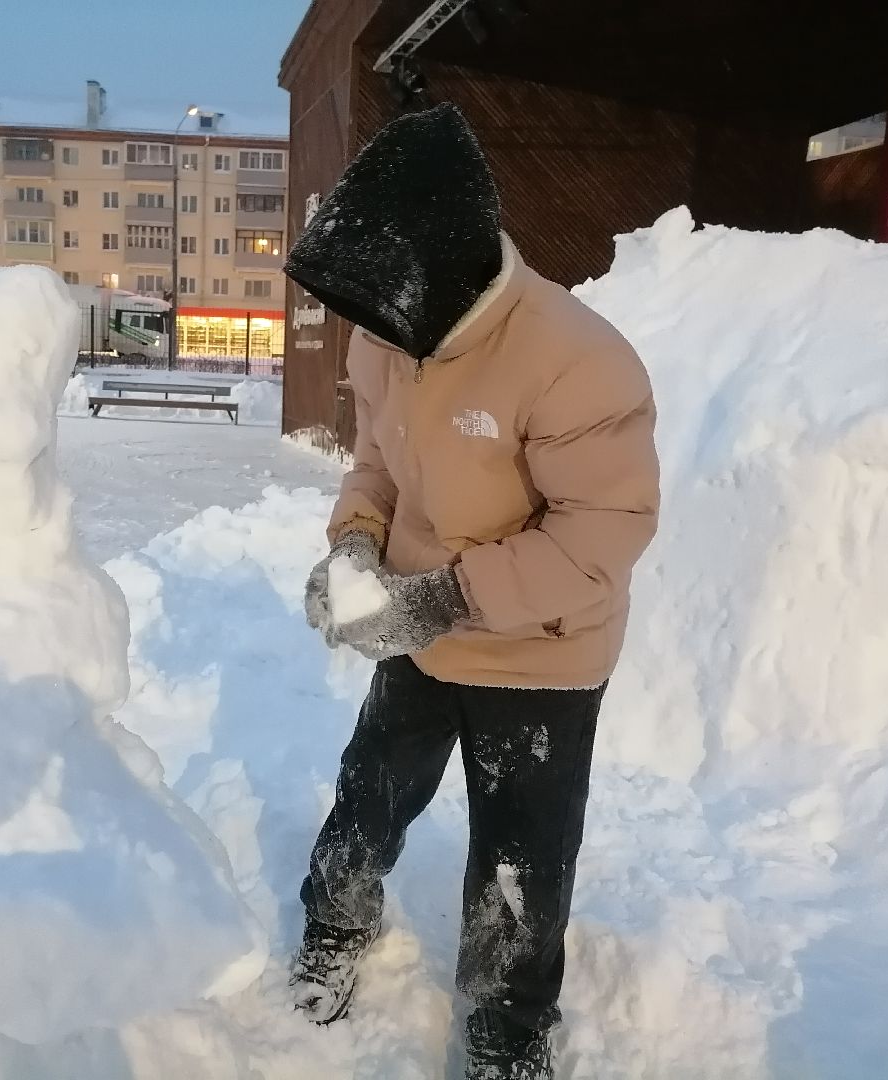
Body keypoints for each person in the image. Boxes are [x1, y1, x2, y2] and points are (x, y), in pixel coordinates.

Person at [283, 103, 660, 1079]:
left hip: (544, 650)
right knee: (367, 797)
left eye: (382, 304)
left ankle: (507, 1035)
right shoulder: (388, 334)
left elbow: (599, 537)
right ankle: (334, 923)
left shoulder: (579, 359)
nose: (368, 330)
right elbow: (376, 463)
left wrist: (441, 600)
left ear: (442, 272)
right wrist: (356, 549)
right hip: (421, 623)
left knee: (518, 871)